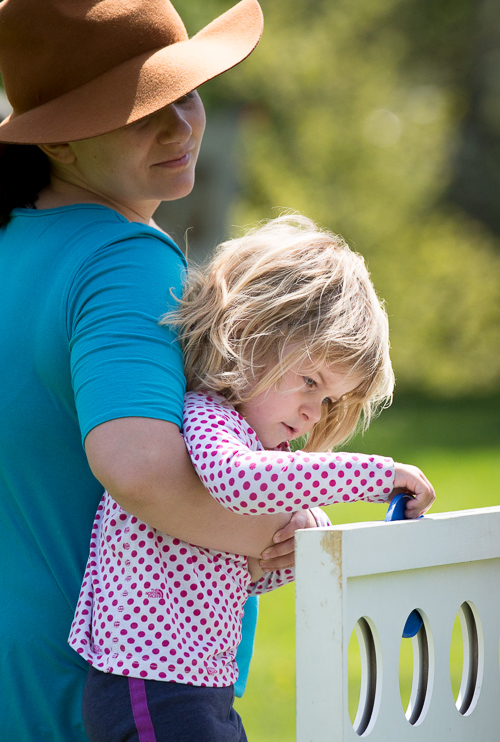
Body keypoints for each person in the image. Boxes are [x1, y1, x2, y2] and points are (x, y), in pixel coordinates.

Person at [0, 0, 317, 740]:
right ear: (59, 143)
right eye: (139, 109)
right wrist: (278, 533)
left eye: (184, 94)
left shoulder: (15, 245)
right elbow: (138, 467)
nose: (178, 126)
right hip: (106, 681)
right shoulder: (123, 259)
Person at [69, 214, 436, 741]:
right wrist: (380, 476)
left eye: (329, 399)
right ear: (250, 335)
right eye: (309, 381)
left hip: (195, 680)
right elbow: (240, 484)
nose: (314, 411)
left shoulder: (246, 438)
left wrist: (294, 541)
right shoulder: (208, 415)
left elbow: (245, 571)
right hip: (150, 677)